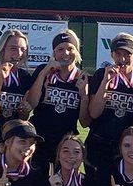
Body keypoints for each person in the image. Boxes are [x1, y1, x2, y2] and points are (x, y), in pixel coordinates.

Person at [85, 32, 133, 174]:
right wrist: (105, 82)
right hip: (98, 144)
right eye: (118, 54)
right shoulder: (101, 74)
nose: (122, 59)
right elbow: (94, 113)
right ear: (111, 55)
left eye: (128, 54)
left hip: (124, 148)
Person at [26, 30, 90, 171]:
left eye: (70, 48)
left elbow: (85, 123)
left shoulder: (84, 78)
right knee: (36, 181)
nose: (66, 53)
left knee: (63, 182)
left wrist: (84, 96)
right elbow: (31, 104)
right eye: (60, 49)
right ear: (54, 52)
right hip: (39, 138)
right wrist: (43, 75)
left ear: (77, 51)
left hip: (65, 143)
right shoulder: (43, 71)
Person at [0, 29, 35, 159]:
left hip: (12, 141)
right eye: (13, 48)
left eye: (23, 49)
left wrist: (25, 110)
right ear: (2, 50)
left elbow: (23, 117)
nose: (19, 53)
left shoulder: (25, 78)